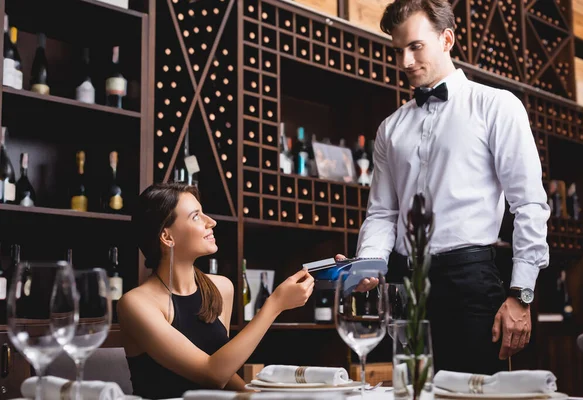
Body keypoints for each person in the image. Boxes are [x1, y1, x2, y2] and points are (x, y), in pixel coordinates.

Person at [336, 0, 550, 375]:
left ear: (447, 38)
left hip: (469, 282)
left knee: (473, 397)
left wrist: (521, 293)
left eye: (415, 47)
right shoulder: (390, 128)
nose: (404, 62)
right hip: (403, 285)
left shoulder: (497, 106)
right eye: (398, 50)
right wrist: (367, 266)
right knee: (405, 393)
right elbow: (383, 213)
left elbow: (529, 204)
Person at [119, 183, 314, 398]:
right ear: (167, 237)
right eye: (196, 217)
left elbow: (225, 367)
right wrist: (275, 305)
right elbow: (211, 374)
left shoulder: (220, 288)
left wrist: (257, 396)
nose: (211, 222)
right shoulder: (136, 304)